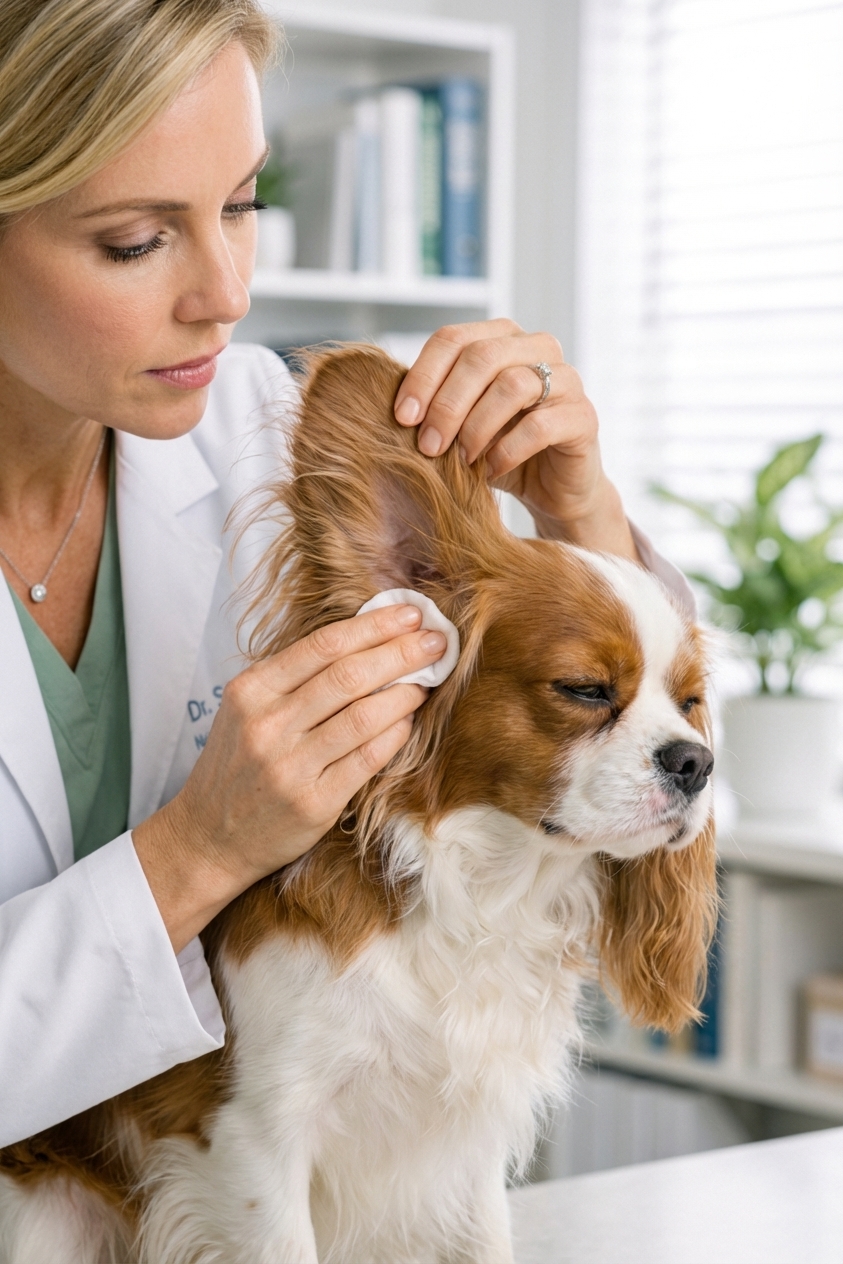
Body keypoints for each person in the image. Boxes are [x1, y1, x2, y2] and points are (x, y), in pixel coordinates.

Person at [0, 0, 688, 1148]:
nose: (226, 292)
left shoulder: (271, 434)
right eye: (135, 239)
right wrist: (200, 851)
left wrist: (579, 513)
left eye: (243, 203)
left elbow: (620, 797)